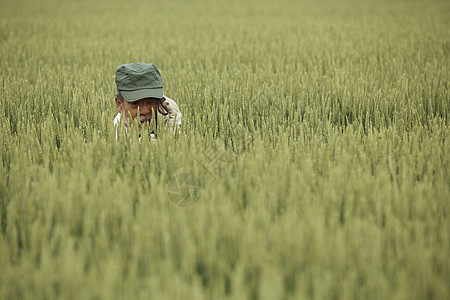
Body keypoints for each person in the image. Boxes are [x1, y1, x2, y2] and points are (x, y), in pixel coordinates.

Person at [113, 62, 181, 140]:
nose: (145, 111)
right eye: (135, 103)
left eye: (151, 102)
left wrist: (175, 135)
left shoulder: (169, 119)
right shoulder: (111, 139)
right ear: (119, 104)